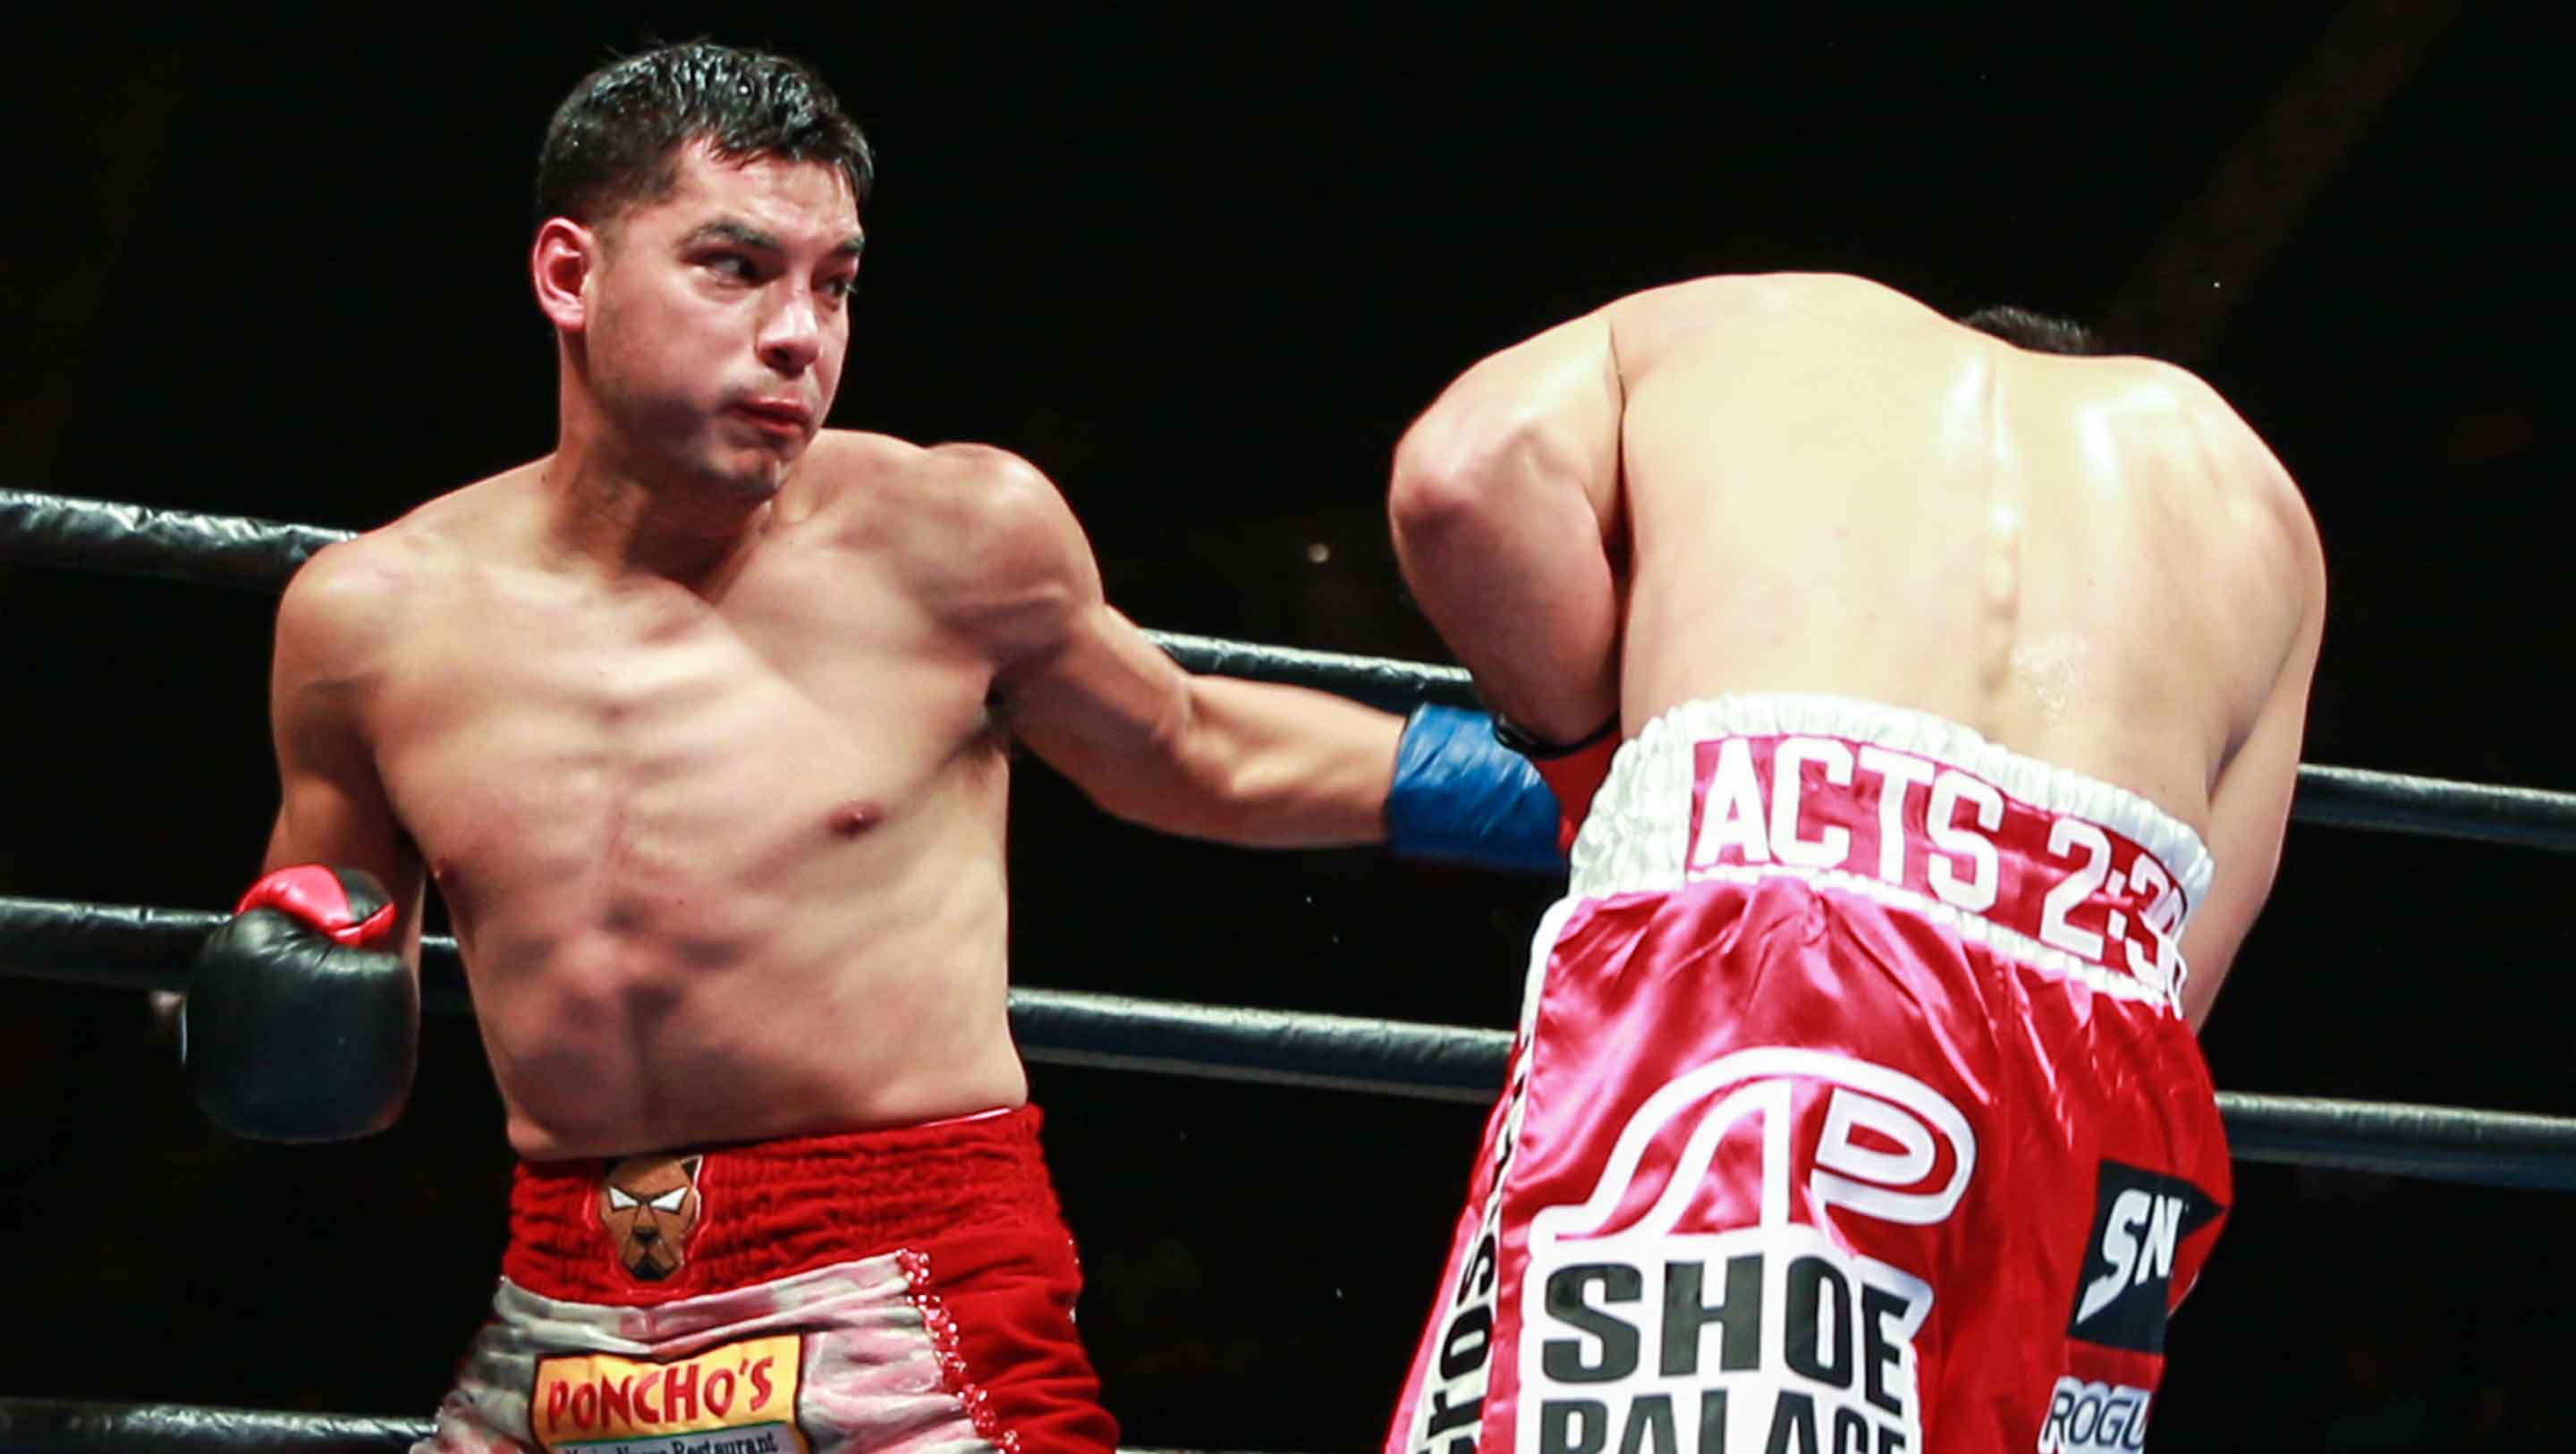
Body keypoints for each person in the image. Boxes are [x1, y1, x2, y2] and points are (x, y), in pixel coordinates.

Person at [176, 43, 1555, 1454]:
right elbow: (335, 995)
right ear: (569, 277)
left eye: (832, 283)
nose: (799, 334)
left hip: (906, 1283)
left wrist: (1552, 788)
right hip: (565, 1308)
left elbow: (1195, 747)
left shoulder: (952, 538)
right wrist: (272, 1009)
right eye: (734, 266)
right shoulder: (369, 621)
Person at [1380, 275, 2324, 1454]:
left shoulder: (1747, 322)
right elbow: (2180, 970)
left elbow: (1459, 480)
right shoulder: (2257, 495)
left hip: (1766, 957)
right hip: (2098, 1060)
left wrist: (1592, 765)